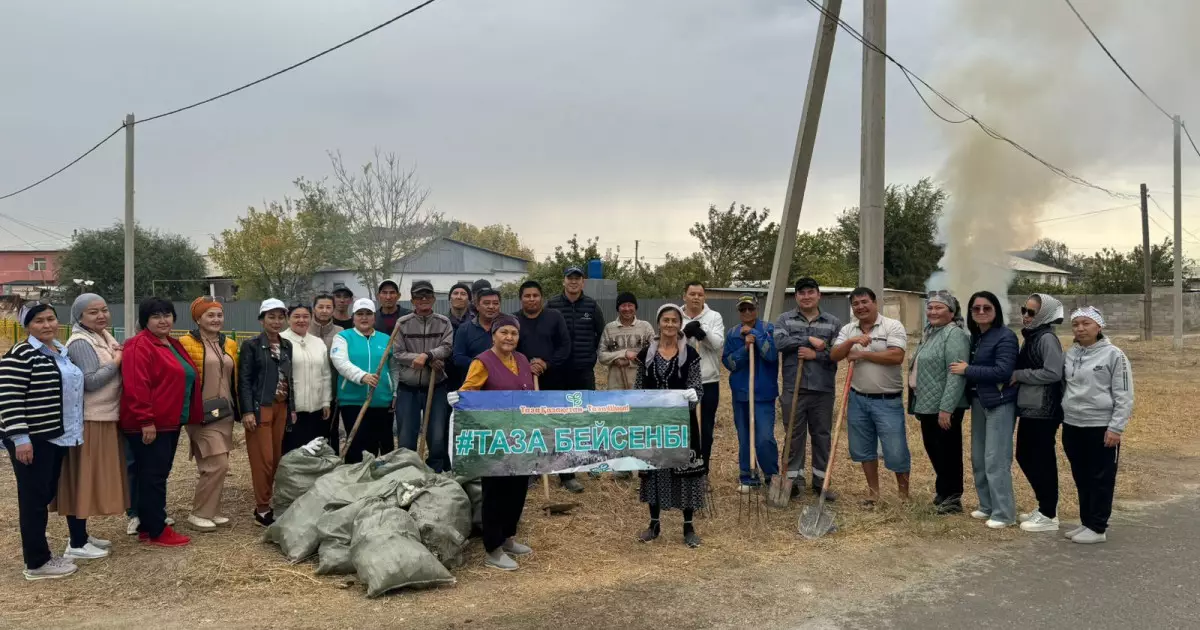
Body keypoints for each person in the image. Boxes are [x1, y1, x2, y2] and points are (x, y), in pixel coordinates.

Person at [1, 304, 86, 579]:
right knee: (33, 499)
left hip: (57, 435)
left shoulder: (59, 351)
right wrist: (20, 438)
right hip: (33, 438)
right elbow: (9, 398)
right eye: (39, 321)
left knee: (43, 494)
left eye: (51, 319)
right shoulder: (20, 354)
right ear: (28, 326)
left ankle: (40, 552)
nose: (47, 325)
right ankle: (37, 563)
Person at [446, 313, 534, 571]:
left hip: (520, 438)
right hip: (493, 439)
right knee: (495, 492)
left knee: (518, 488)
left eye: (514, 333)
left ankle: (508, 538)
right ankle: (493, 549)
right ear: (493, 335)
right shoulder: (483, 362)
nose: (509, 337)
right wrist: (459, 398)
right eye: (504, 332)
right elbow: (468, 392)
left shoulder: (522, 359)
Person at [121, 298, 199, 547]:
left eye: (167, 314)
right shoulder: (138, 345)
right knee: (153, 476)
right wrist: (146, 420)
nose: (163, 320)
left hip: (170, 421)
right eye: (156, 316)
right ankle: (157, 530)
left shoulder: (172, 344)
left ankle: (147, 524)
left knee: (156, 474)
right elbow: (136, 385)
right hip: (151, 424)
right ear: (145, 320)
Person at [55, 295, 126, 559]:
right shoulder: (81, 343)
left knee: (90, 478)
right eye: (93, 312)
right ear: (79, 317)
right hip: (90, 419)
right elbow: (91, 381)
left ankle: (82, 535)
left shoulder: (103, 337)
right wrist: (117, 362)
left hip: (104, 416)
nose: (101, 315)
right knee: (82, 479)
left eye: (104, 310)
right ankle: (76, 541)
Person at [831, 287, 910, 505]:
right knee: (864, 449)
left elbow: (897, 356)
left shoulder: (892, 326)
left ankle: (903, 495)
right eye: (855, 304)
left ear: (875, 303)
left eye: (864, 302)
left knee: (895, 449)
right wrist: (851, 342)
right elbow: (834, 355)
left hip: (887, 399)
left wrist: (862, 354)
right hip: (858, 398)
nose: (860, 307)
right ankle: (873, 493)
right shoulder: (849, 329)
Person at [1061, 307, 1133, 545]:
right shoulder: (1071, 353)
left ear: (1099, 327)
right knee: (1081, 476)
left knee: (1101, 477)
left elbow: (1124, 394)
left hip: (1100, 426)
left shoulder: (1114, 355)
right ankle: (1086, 521)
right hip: (1073, 424)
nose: (1080, 328)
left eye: (1086, 323)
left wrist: (1116, 427)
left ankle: (1098, 526)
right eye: (1076, 324)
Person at [635, 304, 704, 548]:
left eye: (674, 320)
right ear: (659, 323)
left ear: (680, 324)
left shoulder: (691, 355)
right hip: (654, 425)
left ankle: (688, 527)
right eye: (666, 320)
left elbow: (698, 388)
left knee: (685, 473)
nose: (670, 325)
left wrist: (691, 396)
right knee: (654, 472)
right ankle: (654, 524)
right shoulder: (646, 355)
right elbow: (638, 389)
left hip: (681, 424)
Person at [951, 291, 1019, 529]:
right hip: (980, 402)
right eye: (976, 308)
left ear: (996, 311)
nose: (981, 312)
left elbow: (1003, 371)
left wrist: (968, 370)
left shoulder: (1006, 337)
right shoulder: (977, 337)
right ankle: (987, 505)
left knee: (996, 458)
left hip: (1000, 403)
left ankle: (1005, 513)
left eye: (986, 308)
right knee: (978, 456)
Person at [774, 277, 842, 500]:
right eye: (801, 293)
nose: (806, 296)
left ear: (818, 295)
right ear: (796, 297)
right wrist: (809, 339)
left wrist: (817, 354)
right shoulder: (785, 319)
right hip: (794, 388)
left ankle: (821, 481)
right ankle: (793, 481)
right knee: (794, 436)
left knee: (822, 436)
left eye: (810, 292)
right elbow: (779, 343)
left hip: (822, 389)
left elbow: (837, 352)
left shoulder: (832, 323)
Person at [178, 297, 240, 532]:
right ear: (198, 318)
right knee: (217, 465)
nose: (216, 319)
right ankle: (200, 513)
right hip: (201, 412)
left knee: (217, 464)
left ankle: (211, 510)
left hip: (224, 413)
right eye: (210, 315)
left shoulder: (230, 344)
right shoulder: (184, 343)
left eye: (219, 315)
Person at [907, 291, 970, 514]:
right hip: (927, 403)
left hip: (944, 406)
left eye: (939, 308)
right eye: (930, 307)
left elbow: (956, 373)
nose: (932, 311)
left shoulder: (954, 334)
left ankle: (953, 497)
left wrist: (947, 408)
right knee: (934, 449)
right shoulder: (932, 333)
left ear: (952, 313)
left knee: (948, 451)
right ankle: (943, 492)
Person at [546, 267, 606, 493]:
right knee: (562, 423)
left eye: (577, 279)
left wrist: (591, 357)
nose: (573, 282)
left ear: (583, 283)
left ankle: (589, 462)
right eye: (570, 278)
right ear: (564, 281)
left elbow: (601, 335)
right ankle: (566, 473)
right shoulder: (552, 305)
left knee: (585, 420)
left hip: (583, 372)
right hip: (558, 373)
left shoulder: (591, 306)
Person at [238, 299, 296, 527]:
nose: (276, 321)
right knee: (264, 459)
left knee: (276, 458)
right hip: (260, 406)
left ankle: (270, 501)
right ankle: (261, 507)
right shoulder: (251, 345)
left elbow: (288, 379)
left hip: (281, 406)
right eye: (271, 317)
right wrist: (247, 411)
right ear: (262, 320)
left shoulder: (287, 345)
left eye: (280, 317)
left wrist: (291, 407)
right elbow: (244, 380)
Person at [1013, 293, 1066, 533]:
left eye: (1031, 312)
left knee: (1041, 458)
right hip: (1032, 407)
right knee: (1025, 455)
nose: (1025, 315)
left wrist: (1020, 375)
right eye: (1024, 310)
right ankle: (1044, 506)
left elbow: (1053, 373)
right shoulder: (1033, 336)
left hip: (1045, 410)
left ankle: (1048, 513)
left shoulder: (1046, 338)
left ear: (1044, 315)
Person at [392, 280, 455, 472]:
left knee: (436, 437)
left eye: (428, 295)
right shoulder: (403, 323)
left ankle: (435, 474)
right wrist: (424, 359)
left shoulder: (444, 322)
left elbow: (447, 347)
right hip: (408, 388)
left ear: (434, 299)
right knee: (406, 438)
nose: (424, 299)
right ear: (412, 301)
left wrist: (429, 355)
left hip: (435, 387)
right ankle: (407, 473)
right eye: (419, 296)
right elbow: (398, 353)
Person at [721, 295, 779, 491]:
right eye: (743, 309)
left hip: (763, 394)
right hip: (741, 394)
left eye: (750, 309)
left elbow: (771, 355)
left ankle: (771, 475)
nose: (747, 313)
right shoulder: (732, 334)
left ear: (757, 309)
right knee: (744, 437)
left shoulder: (768, 329)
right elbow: (729, 363)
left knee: (764, 437)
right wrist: (745, 349)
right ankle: (748, 476)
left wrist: (756, 335)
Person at [331, 298, 396, 464]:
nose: (364, 318)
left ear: (374, 317)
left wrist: (394, 391)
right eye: (360, 314)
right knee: (357, 445)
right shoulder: (343, 337)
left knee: (381, 445)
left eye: (368, 314)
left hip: (381, 401)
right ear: (354, 317)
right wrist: (362, 376)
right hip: (353, 402)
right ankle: (355, 481)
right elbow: (340, 362)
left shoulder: (385, 339)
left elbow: (394, 368)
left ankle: (379, 483)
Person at [680, 281, 724, 470]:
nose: (696, 297)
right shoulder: (675, 315)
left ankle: (702, 468)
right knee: (684, 426)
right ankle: (683, 465)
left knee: (705, 428)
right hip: (682, 380)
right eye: (692, 294)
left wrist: (703, 332)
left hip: (708, 380)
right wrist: (685, 333)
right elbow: (669, 345)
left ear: (704, 297)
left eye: (700, 294)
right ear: (685, 296)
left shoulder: (714, 316)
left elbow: (717, 345)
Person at [280, 304, 332, 454]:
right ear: (288, 319)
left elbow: (326, 374)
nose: (301, 320)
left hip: (315, 408)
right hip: (291, 409)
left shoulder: (317, 342)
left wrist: (326, 401)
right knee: (292, 450)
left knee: (314, 448)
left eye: (305, 316)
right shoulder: (281, 340)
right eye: (296, 316)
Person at [513, 280, 571, 391]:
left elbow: (565, 346)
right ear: (521, 299)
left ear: (541, 298)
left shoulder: (555, 317)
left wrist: (546, 364)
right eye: (527, 296)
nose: (531, 299)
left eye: (535, 295)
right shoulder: (513, 320)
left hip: (553, 377)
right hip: (522, 379)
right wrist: (526, 367)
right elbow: (508, 350)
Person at [598, 292, 653, 391]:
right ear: (618, 308)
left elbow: (654, 353)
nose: (627, 309)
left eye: (630, 305)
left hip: (640, 382)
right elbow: (602, 356)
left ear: (635, 307)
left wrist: (629, 362)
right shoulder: (609, 328)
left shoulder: (645, 327)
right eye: (623, 305)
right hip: (615, 384)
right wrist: (624, 353)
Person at [312, 293, 344, 452]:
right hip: (307, 392)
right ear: (314, 309)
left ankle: (332, 464)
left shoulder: (340, 332)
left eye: (328, 307)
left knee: (331, 431)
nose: (324, 311)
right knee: (310, 432)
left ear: (333, 310)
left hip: (331, 392)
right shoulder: (303, 329)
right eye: (320, 307)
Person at [454, 287, 503, 380]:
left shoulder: (507, 328)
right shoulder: (464, 329)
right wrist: (483, 364)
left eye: (495, 303)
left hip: (502, 382)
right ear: (477, 306)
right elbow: (458, 358)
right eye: (486, 303)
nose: (491, 307)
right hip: (473, 382)